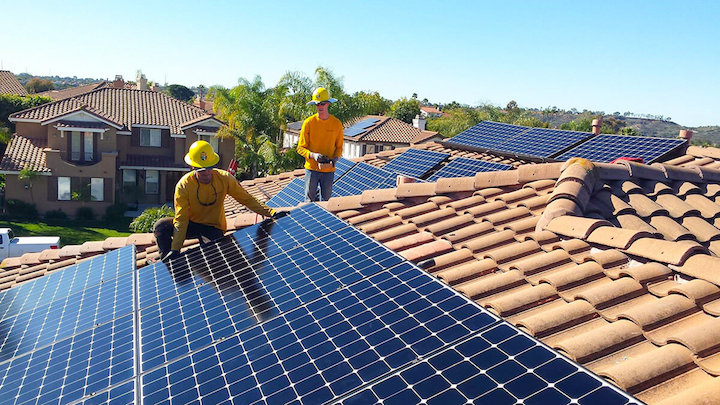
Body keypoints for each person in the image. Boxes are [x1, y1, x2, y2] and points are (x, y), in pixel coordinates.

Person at [153, 140, 279, 262]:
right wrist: (176, 249)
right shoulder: (184, 185)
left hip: (212, 227)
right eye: (201, 170)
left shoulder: (224, 179)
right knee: (161, 227)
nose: (207, 172)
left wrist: (271, 212)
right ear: (193, 167)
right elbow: (181, 219)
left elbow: (246, 199)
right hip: (190, 224)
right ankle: (167, 262)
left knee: (213, 253)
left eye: (209, 167)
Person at [296, 87, 344, 202]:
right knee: (308, 201)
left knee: (326, 202)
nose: (320, 107)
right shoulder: (309, 123)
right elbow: (300, 148)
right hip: (311, 169)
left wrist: (335, 159)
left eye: (323, 104)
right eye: (317, 104)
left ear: (328, 104)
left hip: (328, 170)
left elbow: (339, 147)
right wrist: (313, 155)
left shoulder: (336, 124)